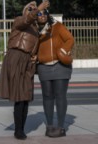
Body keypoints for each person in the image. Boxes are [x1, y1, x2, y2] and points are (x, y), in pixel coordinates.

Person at [0, 0, 50, 140]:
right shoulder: (19, 20)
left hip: (27, 61)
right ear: (25, 11)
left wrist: (36, 56)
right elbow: (27, 19)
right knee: (19, 97)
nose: (33, 11)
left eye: (34, 9)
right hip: (16, 56)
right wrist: (37, 8)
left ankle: (21, 128)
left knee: (25, 96)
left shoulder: (35, 29)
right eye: (29, 8)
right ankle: (18, 130)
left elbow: (38, 43)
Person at [36, 9, 74, 137]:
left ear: (48, 15)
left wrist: (63, 50)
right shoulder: (35, 30)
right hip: (43, 67)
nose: (41, 16)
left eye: (44, 14)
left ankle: (61, 126)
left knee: (60, 96)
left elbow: (70, 39)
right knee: (47, 96)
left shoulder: (57, 27)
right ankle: (50, 126)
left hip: (60, 66)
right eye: (39, 14)